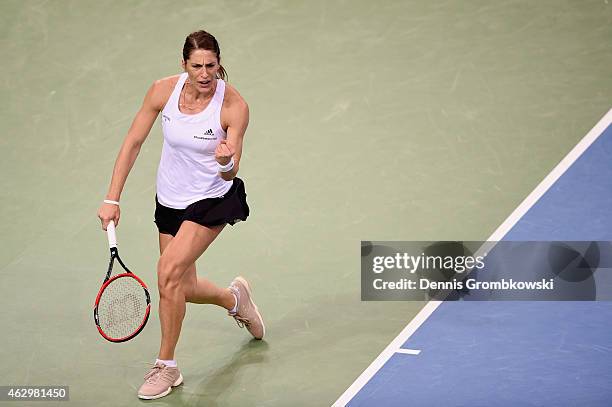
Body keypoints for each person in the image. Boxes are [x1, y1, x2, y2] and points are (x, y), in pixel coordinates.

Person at [97, 30, 265, 400]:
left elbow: (230, 170)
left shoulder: (233, 106)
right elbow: (133, 141)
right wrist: (113, 198)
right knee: (181, 287)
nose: (205, 74)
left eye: (211, 65)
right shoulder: (162, 91)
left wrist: (225, 161)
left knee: (167, 273)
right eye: (197, 66)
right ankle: (235, 300)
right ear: (183, 64)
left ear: (219, 64)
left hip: (211, 200)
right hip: (170, 199)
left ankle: (166, 367)